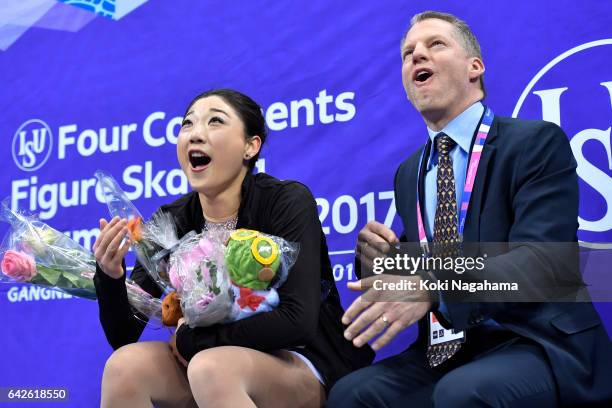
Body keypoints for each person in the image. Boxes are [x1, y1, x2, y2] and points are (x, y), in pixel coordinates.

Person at [327, 11, 612, 408]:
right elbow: (425, 261)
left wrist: (432, 287)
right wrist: (380, 261)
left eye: (435, 45)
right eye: (408, 53)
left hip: (535, 340)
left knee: (463, 394)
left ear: (475, 67)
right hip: (451, 346)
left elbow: (540, 264)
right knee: (351, 395)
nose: (417, 57)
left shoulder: (535, 143)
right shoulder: (409, 172)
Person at [92, 89, 374, 408]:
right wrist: (110, 276)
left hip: (299, 362)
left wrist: (194, 341)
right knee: (124, 367)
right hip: (206, 360)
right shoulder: (169, 222)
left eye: (215, 121)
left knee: (210, 367)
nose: (196, 133)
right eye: (188, 124)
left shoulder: (286, 201)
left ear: (250, 147)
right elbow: (124, 334)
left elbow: (297, 321)